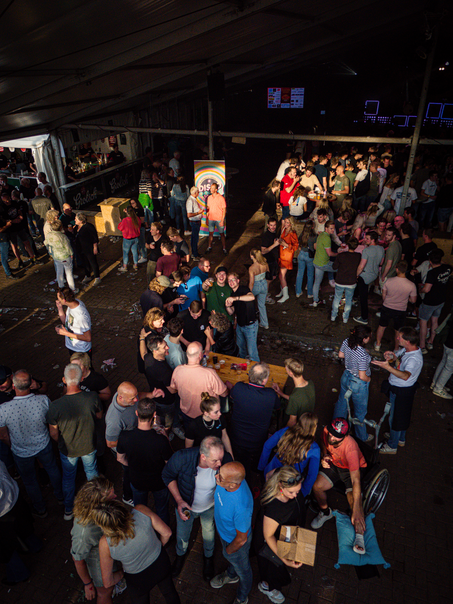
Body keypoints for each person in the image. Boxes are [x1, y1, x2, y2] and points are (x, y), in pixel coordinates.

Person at [162, 436, 232, 581]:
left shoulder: (225, 460)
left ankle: (208, 558)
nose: (220, 463)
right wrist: (179, 500)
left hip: (210, 507)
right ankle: (180, 557)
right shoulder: (183, 458)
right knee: (182, 534)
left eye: (221, 458)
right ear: (203, 457)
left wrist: (224, 484)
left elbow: (233, 485)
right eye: (215, 461)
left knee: (209, 532)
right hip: (187, 506)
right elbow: (167, 475)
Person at [0, 370, 63, 518]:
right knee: (52, 469)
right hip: (43, 445)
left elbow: (3, 435)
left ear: (14, 386)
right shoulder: (43, 400)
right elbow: (52, 423)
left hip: (21, 452)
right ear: (31, 384)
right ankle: (61, 497)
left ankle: (40, 509)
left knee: (29, 481)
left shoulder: (3, 409)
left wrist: (12, 446)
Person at [94, 499, 180, 604]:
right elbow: (167, 533)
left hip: (137, 580)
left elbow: (108, 582)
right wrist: (157, 546)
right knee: (169, 592)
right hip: (160, 563)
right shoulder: (140, 510)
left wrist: (122, 573)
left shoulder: (105, 543)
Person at [47, 364, 103, 520]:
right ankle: (97, 504)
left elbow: (53, 432)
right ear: (82, 379)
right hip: (89, 446)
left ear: (64, 380)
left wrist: (63, 443)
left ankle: (69, 509)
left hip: (68, 450)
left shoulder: (55, 406)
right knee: (92, 474)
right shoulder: (92, 397)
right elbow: (99, 416)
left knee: (68, 478)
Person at [311, 418, 367, 554]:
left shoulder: (351, 448)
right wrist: (324, 455)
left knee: (355, 504)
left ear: (345, 437)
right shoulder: (327, 431)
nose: (332, 437)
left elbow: (355, 481)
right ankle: (325, 512)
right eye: (331, 434)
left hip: (350, 471)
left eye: (336, 437)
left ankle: (359, 536)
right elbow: (323, 442)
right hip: (335, 464)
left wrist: (357, 509)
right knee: (316, 486)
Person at [253, 467, 305, 604]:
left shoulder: (280, 481)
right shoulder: (275, 508)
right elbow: (269, 536)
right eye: (292, 492)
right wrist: (285, 560)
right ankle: (267, 587)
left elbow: (274, 472)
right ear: (281, 485)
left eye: (298, 491)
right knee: (271, 568)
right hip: (270, 541)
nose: (295, 495)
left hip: (283, 531)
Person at [117, 397, 173, 521]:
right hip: (159, 482)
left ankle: (142, 534)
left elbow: (120, 458)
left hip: (137, 480)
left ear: (137, 413)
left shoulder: (125, 437)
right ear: (154, 415)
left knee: (139, 511)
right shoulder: (161, 440)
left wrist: (132, 465)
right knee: (162, 510)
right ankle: (164, 536)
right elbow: (169, 463)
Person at [372, 327, 423, 453]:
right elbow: (396, 359)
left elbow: (405, 376)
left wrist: (387, 367)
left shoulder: (414, 359)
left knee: (395, 418)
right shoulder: (407, 350)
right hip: (402, 391)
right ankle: (400, 438)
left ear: (408, 341)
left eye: (400, 337)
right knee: (402, 416)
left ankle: (392, 445)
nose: (397, 338)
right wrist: (391, 357)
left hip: (401, 391)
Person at [71, 477, 119, 604]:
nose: (115, 496)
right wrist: (88, 584)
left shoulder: (100, 508)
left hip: (113, 552)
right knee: (104, 593)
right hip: (99, 563)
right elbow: (78, 560)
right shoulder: (84, 531)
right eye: (111, 495)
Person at [210, 462, 253, 604]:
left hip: (233, 541)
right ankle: (231, 575)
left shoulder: (241, 507)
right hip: (224, 533)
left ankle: (242, 598)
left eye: (220, 477)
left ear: (233, 485)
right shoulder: (228, 481)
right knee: (235, 563)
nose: (216, 477)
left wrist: (228, 550)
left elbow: (241, 539)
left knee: (244, 571)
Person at [229, 363, 280, 481]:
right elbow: (278, 407)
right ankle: (254, 472)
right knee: (254, 462)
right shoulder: (270, 395)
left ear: (249, 376)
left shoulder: (239, 388)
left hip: (236, 438)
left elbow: (232, 396)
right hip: (257, 442)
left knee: (241, 459)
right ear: (264, 380)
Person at [0, 459, 43, 586]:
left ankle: (20, 574)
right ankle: (36, 546)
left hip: (3, 514)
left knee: (5, 549)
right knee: (25, 528)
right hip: (14, 498)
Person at [258, 413, 320, 497]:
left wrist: (262, 467)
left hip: (271, 474)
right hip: (290, 484)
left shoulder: (285, 431)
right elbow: (312, 475)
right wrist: (303, 492)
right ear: (314, 427)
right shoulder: (314, 448)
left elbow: (267, 446)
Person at [169, 341, 229, 425]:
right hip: (207, 415)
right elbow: (224, 393)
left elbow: (173, 390)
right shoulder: (209, 373)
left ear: (187, 354)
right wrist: (228, 387)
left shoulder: (177, 370)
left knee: (191, 435)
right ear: (200, 355)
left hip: (187, 414)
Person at [333, 325, 373, 442]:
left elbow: (341, 355)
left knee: (342, 403)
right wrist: (369, 379)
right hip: (358, 383)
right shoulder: (362, 355)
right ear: (364, 339)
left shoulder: (347, 341)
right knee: (360, 411)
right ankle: (362, 437)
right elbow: (362, 376)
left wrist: (351, 358)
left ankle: (336, 428)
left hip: (346, 376)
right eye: (369, 337)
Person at [375, 261, 417, 352]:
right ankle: (396, 348)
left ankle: (378, 344)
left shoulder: (389, 281)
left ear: (397, 269)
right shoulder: (411, 285)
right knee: (398, 330)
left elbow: (384, 295)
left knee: (382, 326)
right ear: (406, 270)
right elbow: (413, 300)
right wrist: (406, 298)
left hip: (387, 307)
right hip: (401, 310)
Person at [418, 249, 452, 354]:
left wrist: (421, 289)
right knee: (435, 321)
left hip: (430, 301)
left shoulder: (432, 273)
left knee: (423, 322)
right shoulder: (447, 268)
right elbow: (447, 265)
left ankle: (422, 346)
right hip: (441, 300)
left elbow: (427, 289)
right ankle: (431, 342)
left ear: (430, 261)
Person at [272, 358, 315, 427]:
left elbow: (292, 422)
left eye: (286, 369)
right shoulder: (310, 383)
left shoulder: (295, 397)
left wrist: (284, 434)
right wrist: (280, 393)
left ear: (291, 373)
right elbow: (299, 399)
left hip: (300, 426)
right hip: (308, 422)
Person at [226, 272, 259, 362]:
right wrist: (227, 306)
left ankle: (258, 373)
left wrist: (235, 299)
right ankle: (242, 369)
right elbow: (231, 312)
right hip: (240, 326)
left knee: (252, 353)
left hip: (250, 326)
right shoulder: (232, 294)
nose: (231, 282)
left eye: (233, 280)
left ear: (238, 281)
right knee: (241, 351)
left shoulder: (243, 289)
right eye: (229, 280)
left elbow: (251, 297)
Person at [354, 231, 385, 325]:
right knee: (359, 289)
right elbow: (381, 263)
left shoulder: (366, 251)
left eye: (367, 239)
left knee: (364, 298)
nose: (365, 240)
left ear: (373, 240)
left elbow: (361, 266)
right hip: (374, 274)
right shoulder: (381, 249)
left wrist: (356, 275)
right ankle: (354, 298)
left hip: (365, 276)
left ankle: (364, 318)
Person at [55, 287, 92, 357]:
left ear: (64, 300)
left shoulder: (80, 315)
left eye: (59, 298)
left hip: (81, 350)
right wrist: (60, 308)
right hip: (72, 346)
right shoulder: (72, 305)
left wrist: (66, 333)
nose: (58, 300)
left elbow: (88, 338)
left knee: (84, 368)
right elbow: (65, 322)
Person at [331, 238, 361, 323]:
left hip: (340, 281)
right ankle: (345, 318)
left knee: (337, 298)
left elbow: (334, 267)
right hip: (351, 281)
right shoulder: (358, 256)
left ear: (347, 245)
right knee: (349, 299)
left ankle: (333, 315)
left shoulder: (341, 255)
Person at [45, 219, 77, 292]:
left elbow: (46, 244)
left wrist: (50, 253)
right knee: (69, 273)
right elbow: (68, 246)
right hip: (65, 256)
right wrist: (71, 254)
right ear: (60, 227)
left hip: (56, 257)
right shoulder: (62, 236)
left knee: (59, 273)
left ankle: (61, 288)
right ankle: (73, 289)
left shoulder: (49, 235)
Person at [312, 220, 337, 306]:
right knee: (340, 269)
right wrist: (339, 253)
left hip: (317, 261)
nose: (332, 230)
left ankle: (315, 301)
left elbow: (315, 246)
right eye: (331, 228)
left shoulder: (321, 234)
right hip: (323, 263)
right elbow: (330, 253)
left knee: (317, 282)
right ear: (326, 228)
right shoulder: (327, 238)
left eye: (333, 229)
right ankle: (340, 293)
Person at [276, 217, 298, 304]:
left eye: (288, 222)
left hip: (287, 256)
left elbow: (295, 247)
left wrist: (286, 244)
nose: (286, 224)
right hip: (282, 254)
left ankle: (285, 295)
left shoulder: (293, 233)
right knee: (281, 275)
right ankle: (283, 291)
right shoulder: (284, 230)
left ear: (291, 223)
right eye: (285, 222)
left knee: (281, 275)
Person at [75, 212, 101, 286]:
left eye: (76, 219)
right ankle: (87, 275)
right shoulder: (77, 227)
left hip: (89, 248)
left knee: (93, 262)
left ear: (81, 220)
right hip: (81, 249)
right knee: (85, 262)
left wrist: (95, 247)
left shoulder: (89, 226)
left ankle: (97, 277)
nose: (75, 220)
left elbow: (94, 237)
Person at [431, 321, 453, 399]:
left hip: (448, 341)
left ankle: (435, 383)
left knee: (443, 362)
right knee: (449, 368)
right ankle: (438, 388)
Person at [249, 248, 269, 329]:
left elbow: (251, 282)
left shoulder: (252, 268)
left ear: (252, 256)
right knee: (262, 305)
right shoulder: (265, 264)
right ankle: (265, 323)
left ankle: (250, 321)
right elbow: (268, 272)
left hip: (256, 285)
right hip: (264, 283)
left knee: (249, 303)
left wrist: (249, 292)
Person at [261, 217, 280, 302]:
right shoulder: (266, 236)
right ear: (268, 225)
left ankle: (264, 293)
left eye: (274, 225)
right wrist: (274, 245)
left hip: (273, 260)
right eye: (271, 225)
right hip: (268, 261)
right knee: (268, 280)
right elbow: (263, 251)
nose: (273, 227)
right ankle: (265, 297)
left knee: (273, 277)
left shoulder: (274, 233)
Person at [295, 220, 316, 299]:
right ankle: (309, 293)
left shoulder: (303, 234)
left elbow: (299, 242)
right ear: (312, 227)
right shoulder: (314, 236)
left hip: (301, 254)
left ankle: (298, 292)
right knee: (310, 275)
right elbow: (315, 247)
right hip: (309, 256)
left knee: (300, 273)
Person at [118, 206, 141, 272]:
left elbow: (120, 228)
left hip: (127, 240)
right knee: (135, 252)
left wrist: (121, 221)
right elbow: (139, 226)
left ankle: (125, 266)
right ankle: (136, 265)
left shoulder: (125, 220)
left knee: (126, 253)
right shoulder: (136, 218)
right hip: (135, 239)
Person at [206, 182, 227, 254]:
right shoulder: (209, 198)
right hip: (211, 218)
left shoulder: (221, 198)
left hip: (219, 219)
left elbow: (224, 209)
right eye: (210, 188)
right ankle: (209, 246)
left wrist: (222, 220)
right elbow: (208, 208)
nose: (210, 189)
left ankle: (224, 248)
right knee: (210, 233)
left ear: (216, 189)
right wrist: (207, 218)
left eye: (212, 188)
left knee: (222, 234)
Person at [186, 186, 203, 259]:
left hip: (196, 221)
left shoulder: (193, 200)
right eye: (198, 192)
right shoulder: (190, 201)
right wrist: (198, 213)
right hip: (194, 222)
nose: (198, 193)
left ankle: (195, 252)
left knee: (195, 238)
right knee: (194, 239)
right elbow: (189, 214)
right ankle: (194, 254)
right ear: (195, 193)